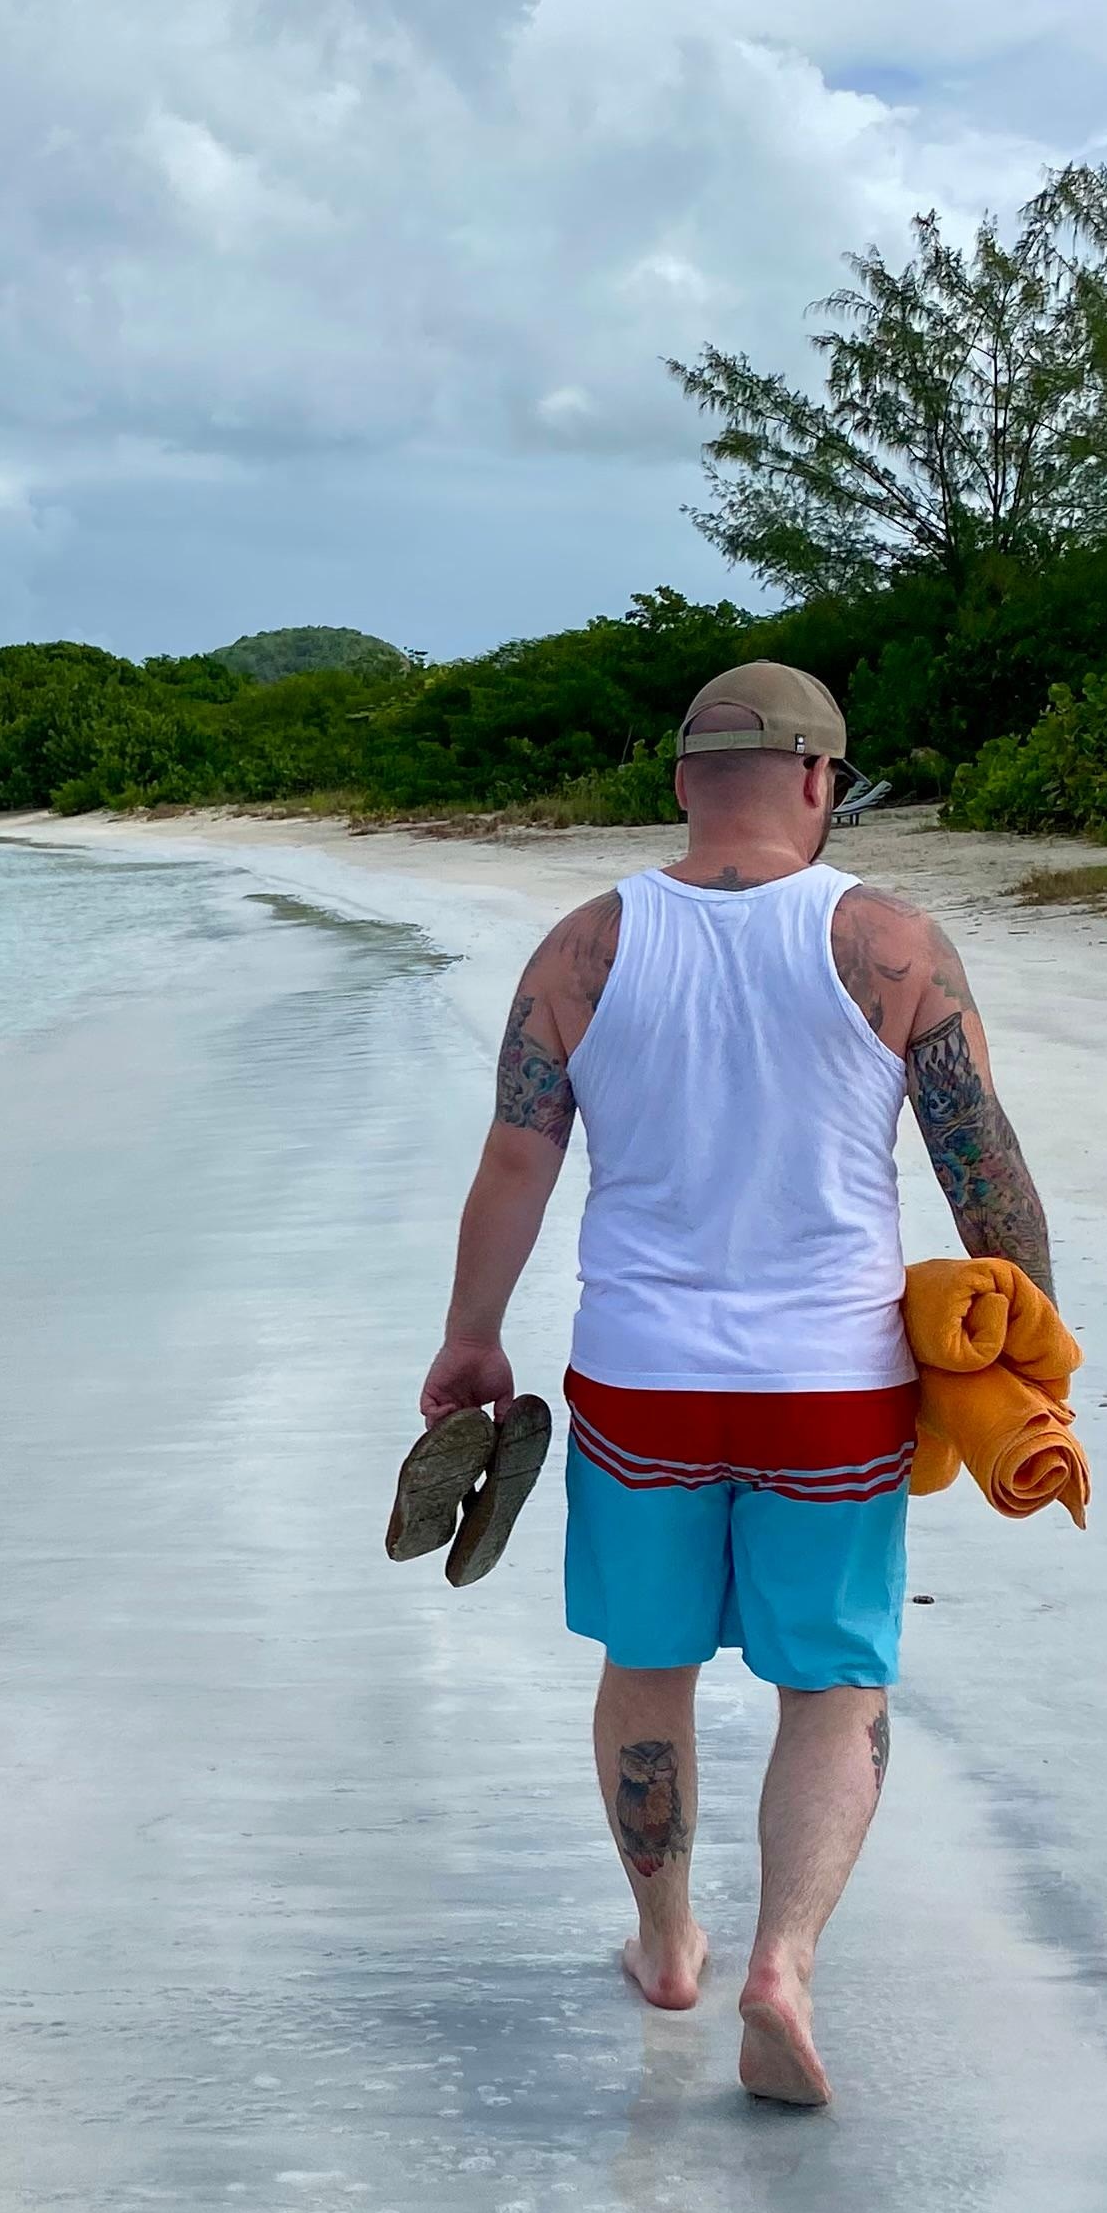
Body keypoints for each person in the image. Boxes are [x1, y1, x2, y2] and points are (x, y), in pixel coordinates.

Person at [414, 662, 1054, 2107]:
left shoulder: (582, 949)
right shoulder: (892, 945)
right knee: (833, 1682)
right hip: (832, 1383)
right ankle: (785, 1965)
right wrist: (1036, 1354)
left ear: (682, 781)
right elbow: (983, 1166)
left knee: (649, 1665)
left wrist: (472, 1333)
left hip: (641, 1377)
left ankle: (667, 1945)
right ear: (823, 781)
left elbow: (521, 1158)